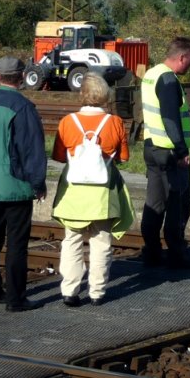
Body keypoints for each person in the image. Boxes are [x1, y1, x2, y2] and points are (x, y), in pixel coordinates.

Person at [51, 73, 134, 307]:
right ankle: (97, 292)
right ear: (105, 95)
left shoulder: (68, 122)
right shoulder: (115, 122)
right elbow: (124, 158)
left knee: (72, 240)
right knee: (101, 241)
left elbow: (59, 156)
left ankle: (69, 290)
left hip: (73, 192)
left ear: (82, 94)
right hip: (103, 193)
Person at [0, 56, 48, 312]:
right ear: (22, 76)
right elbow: (32, 150)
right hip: (17, 185)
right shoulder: (23, 107)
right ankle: (16, 299)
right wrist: (38, 183)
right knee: (16, 242)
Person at [139, 35, 190, 268]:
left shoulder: (151, 74)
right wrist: (182, 151)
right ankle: (177, 255)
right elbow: (170, 118)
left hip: (152, 147)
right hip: (170, 152)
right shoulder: (168, 80)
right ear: (182, 57)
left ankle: (152, 252)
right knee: (178, 203)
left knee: (154, 203)